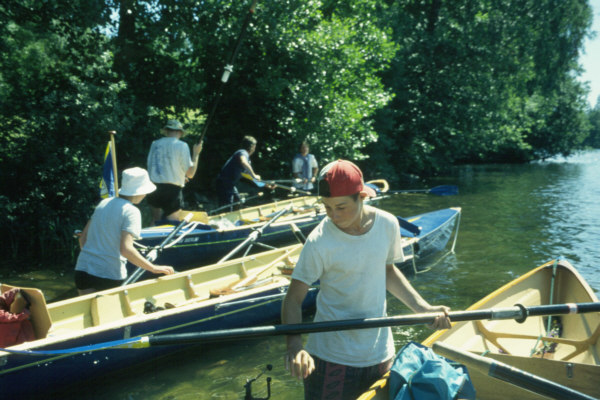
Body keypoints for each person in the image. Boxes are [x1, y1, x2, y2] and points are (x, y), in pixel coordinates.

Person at [281, 160, 452, 400]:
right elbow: (293, 299)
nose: (333, 215)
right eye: (327, 207)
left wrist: (423, 309)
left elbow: (387, 272)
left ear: (361, 196)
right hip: (331, 357)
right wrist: (295, 346)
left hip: (380, 354)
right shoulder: (319, 240)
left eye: (340, 207)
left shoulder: (387, 224)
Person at [75, 167, 175, 295]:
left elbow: (82, 238)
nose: (145, 195)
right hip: (109, 275)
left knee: (89, 313)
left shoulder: (103, 203)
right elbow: (126, 249)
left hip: (82, 270)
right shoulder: (131, 211)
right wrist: (154, 268)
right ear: (139, 191)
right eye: (145, 192)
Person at [147, 119, 203, 224]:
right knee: (173, 222)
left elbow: (153, 166)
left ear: (166, 131)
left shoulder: (155, 144)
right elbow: (190, 174)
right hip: (172, 190)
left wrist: (180, 176)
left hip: (153, 187)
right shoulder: (182, 145)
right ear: (179, 132)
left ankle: (150, 239)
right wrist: (196, 154)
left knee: (155, 220)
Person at [215, 135, 261, 206]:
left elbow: (249, 176)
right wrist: (254, 175)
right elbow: (244, 162)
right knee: (227, 207)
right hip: (224, 183)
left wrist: (266, 185)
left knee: (238, 202)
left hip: (230, 185)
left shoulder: (246, 159)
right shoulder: (242, 152)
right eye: (255, 146)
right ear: (252, 147)